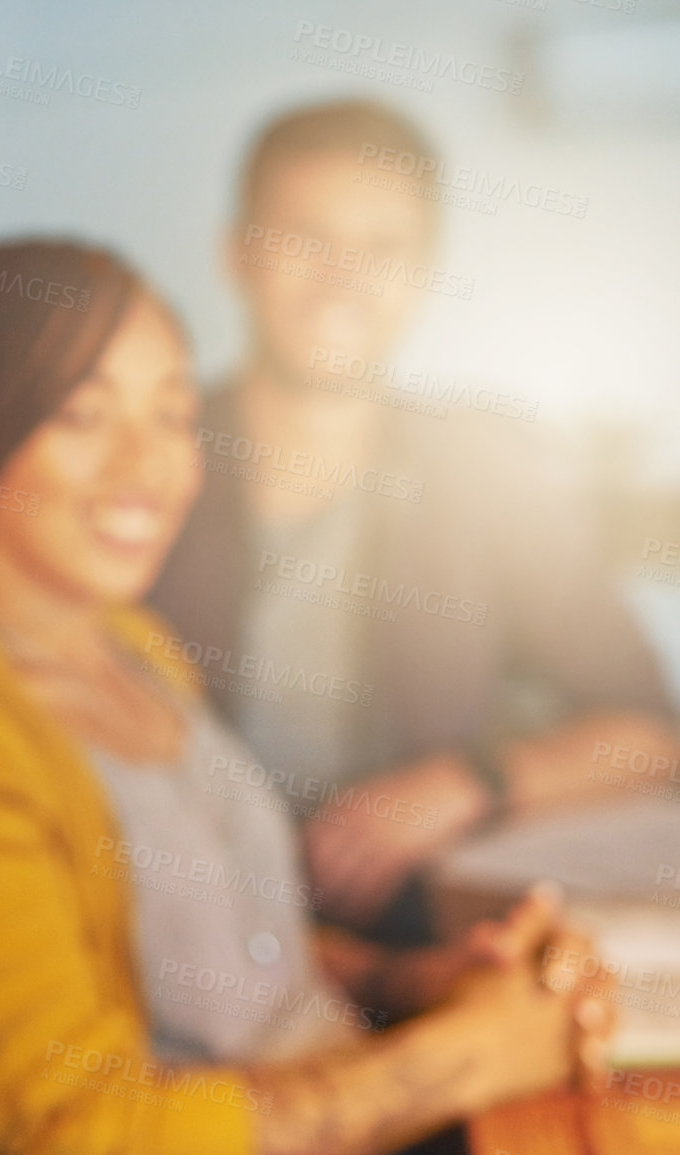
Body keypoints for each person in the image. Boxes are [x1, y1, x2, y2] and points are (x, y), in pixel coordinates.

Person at [0, 239, 612, 1155]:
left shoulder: (131, 642)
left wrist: (427, 980)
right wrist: (462, 1058)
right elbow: (67, 1134)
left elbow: (244, 950)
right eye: (83, 415)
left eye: (171, 414)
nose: (147, 466)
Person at [148, 99, 680, 935]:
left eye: (380, 248)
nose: (341, 279)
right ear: (238, 254)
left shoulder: (488, 472)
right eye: (307, 238)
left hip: (425, 929)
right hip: (172, 924)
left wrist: (468, 782)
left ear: (425, 270)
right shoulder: (144, 457)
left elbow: (648, 734)